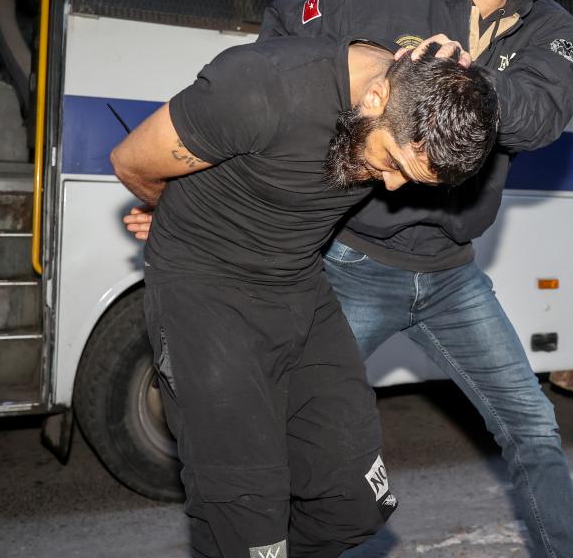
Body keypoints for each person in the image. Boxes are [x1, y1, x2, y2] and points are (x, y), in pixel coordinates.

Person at [111, 35, 498, 558]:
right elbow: (131, 161)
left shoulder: (410, 85)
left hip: (298, 285)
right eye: (392, 162)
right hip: (206, 295)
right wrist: (176, 215)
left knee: (357, 503)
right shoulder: (261, 86)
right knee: (249, 526)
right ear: (376, 98)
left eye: (410, 179)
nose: (390, 187)